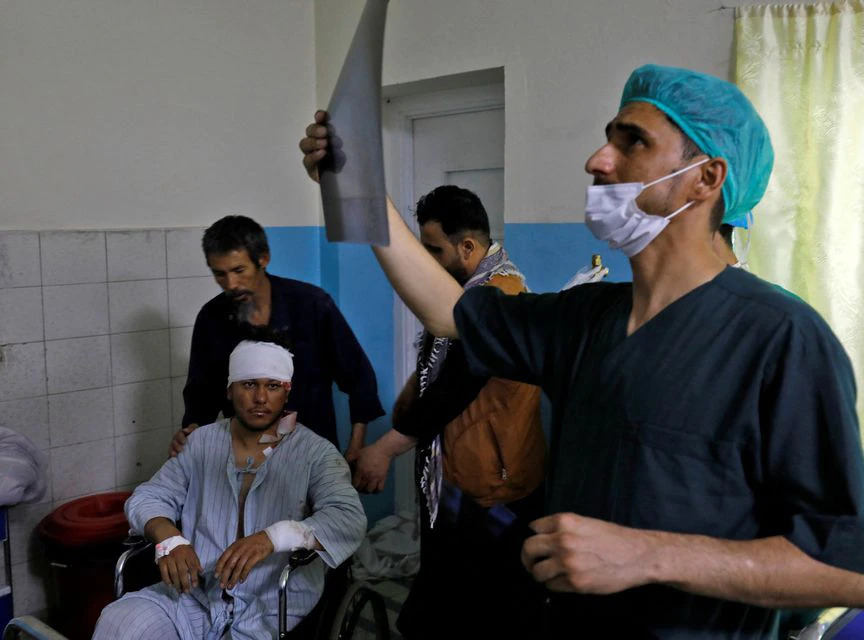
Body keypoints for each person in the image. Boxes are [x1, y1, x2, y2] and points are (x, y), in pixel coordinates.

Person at [300, 64, 864, 638]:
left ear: (705, 177)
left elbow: (846, 567)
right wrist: (360, 186)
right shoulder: (586, 320)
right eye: (607, 138)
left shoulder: (780, 339)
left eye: (633, 141)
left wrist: (649, 555)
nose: (598, 160)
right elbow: (449, 312)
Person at [351, 185, 545, 637]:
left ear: (468, 247)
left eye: (434, 249)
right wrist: (408, 401)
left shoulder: (502, 295)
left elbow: (457, 385)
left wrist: (384, 448)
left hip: (493, 481)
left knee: (488, 597)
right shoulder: (467, 292)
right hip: (461, 469)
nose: (427, 260)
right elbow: (437, 369)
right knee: (451, 583)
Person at [93, 336, 367, 640]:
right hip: (195, 593)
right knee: (119, 622)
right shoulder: (201, 442)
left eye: (273, 386)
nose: (260, 397)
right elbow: (149, 496)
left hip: (271, 605)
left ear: (287, 391)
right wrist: (168, 538)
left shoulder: (316, 453)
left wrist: (272, 538)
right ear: (229, 390)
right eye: (249, 384)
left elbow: (348, 518)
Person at [172, 215, 385, 462]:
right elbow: (201, 395)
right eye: (220, 274)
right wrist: (191, 432)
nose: (231, 284)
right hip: (247, 457)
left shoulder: (311, 306)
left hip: (312, 452)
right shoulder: (212, 318)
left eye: (239, 271)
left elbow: (359, 377)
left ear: (263, 259)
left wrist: (355, 446)